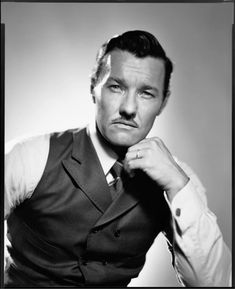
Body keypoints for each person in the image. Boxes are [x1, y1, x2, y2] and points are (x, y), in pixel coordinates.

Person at [4, 30, 231, 287]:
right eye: (116, 87)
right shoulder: (29, 157)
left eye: (146, 93)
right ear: (94, 88)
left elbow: (215, 284)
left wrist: (178, 186)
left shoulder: (178, 181)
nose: (129, 108)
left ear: (163, 102)